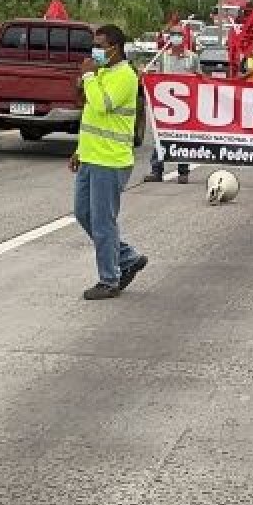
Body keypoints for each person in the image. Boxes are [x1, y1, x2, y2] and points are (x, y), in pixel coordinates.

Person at [69, 24, 149, 301]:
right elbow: (90, 113)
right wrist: (80, 150)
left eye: (100, 46)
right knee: (83, 214)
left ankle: (109, 279)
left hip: (111, 160)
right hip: (91, 156)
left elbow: (103, 104)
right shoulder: (102, 73)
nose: (95, 51)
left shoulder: (125, 75)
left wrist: (89, 77)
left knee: (103, 221)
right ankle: (127, 257)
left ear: (115, 48)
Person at [144, 34, 198, 184]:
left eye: (179, 35)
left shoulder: (192, 57)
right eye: (173, 35)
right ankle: (156, 170)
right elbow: (157, 76)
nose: (176, 38)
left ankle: (183, 172)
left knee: (183, 137)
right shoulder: (163, 56)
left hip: (185, 104)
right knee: (159, 136)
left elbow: (199, 78)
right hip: (165, 104)